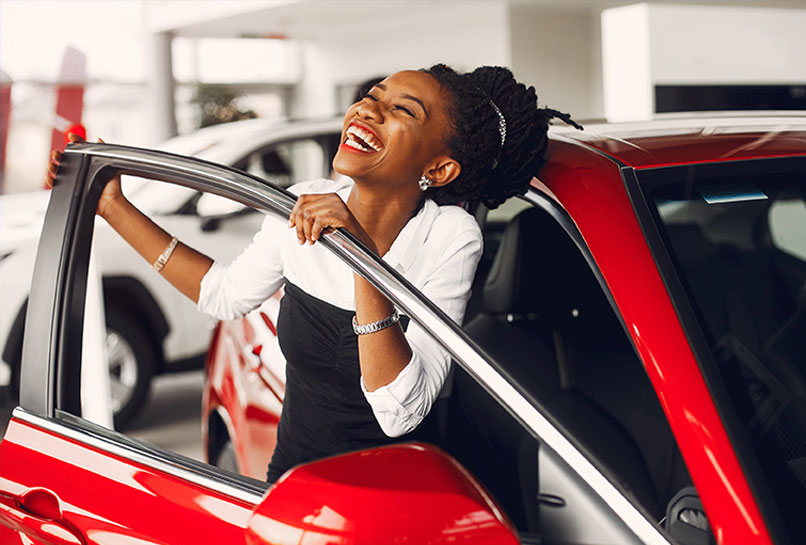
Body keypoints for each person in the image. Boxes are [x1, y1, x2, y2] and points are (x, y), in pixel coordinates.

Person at [46, 64, 580, 483]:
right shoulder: (302, 203)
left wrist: (359, 255)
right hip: (294, 485)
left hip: (399, 502)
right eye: (371, 97)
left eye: (402, 111)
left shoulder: (450, 237)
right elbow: (224, 296)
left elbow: (401, 412)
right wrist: (112, 206)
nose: (368, 111)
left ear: (437, 170)